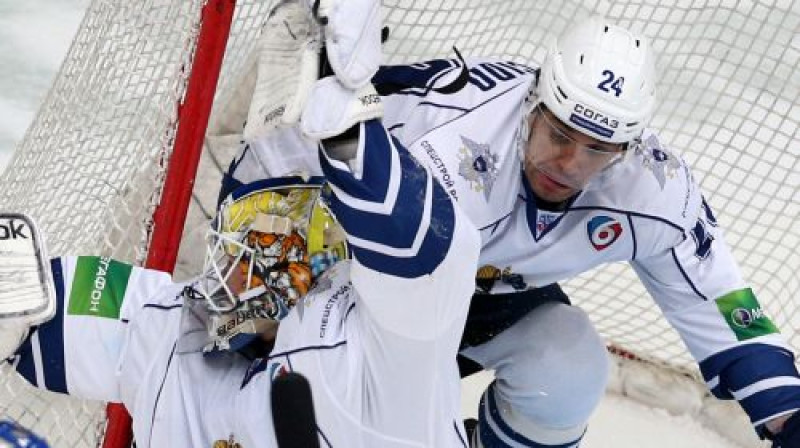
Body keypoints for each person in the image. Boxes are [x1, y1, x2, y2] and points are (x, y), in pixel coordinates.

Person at [225, 7, 800, 447]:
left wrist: (789, 418)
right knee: (278, 387)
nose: (570, 164)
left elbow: (720, 302)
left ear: (628, 147)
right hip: (327, 247)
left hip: (465, 286)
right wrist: (275, 324)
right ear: (534, 104)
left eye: (598, 149)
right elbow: (354, 255)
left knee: (570, 366)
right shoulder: (452, 148)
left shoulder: (652, 187)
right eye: (560, 135)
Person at [0, 2, 481, 447]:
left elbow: (430, 254)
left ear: (298, 277)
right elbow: (54, 311)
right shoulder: (180, 338)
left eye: (250, 249)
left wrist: (353, 137)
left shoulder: (388, 365)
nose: (224, 265)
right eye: (231, 246)